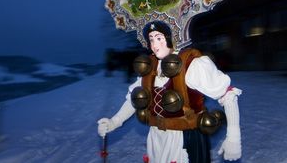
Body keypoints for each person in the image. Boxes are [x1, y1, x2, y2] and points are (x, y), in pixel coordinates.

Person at [97, 20, 242, 163]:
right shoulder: (149, 66)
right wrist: (114, 121)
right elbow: (134, 100)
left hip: (185, 139)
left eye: (159, 38)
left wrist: (234, 138)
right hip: (156, 139)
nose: (154, 45)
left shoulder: (191, 64)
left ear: (171, 38)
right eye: (151, 39)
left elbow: (228, 94)